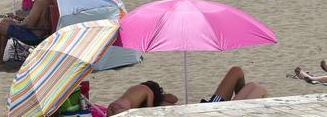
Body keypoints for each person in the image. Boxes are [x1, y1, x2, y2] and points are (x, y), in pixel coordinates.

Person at [105, 66, 265, 115]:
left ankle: (240, 105)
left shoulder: (154, 102)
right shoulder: (150, 102)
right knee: (256, 88)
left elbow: (173, 99)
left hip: (207, 108)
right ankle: (239, 107)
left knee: (238, 72)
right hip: (210, 111)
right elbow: (172, 99)